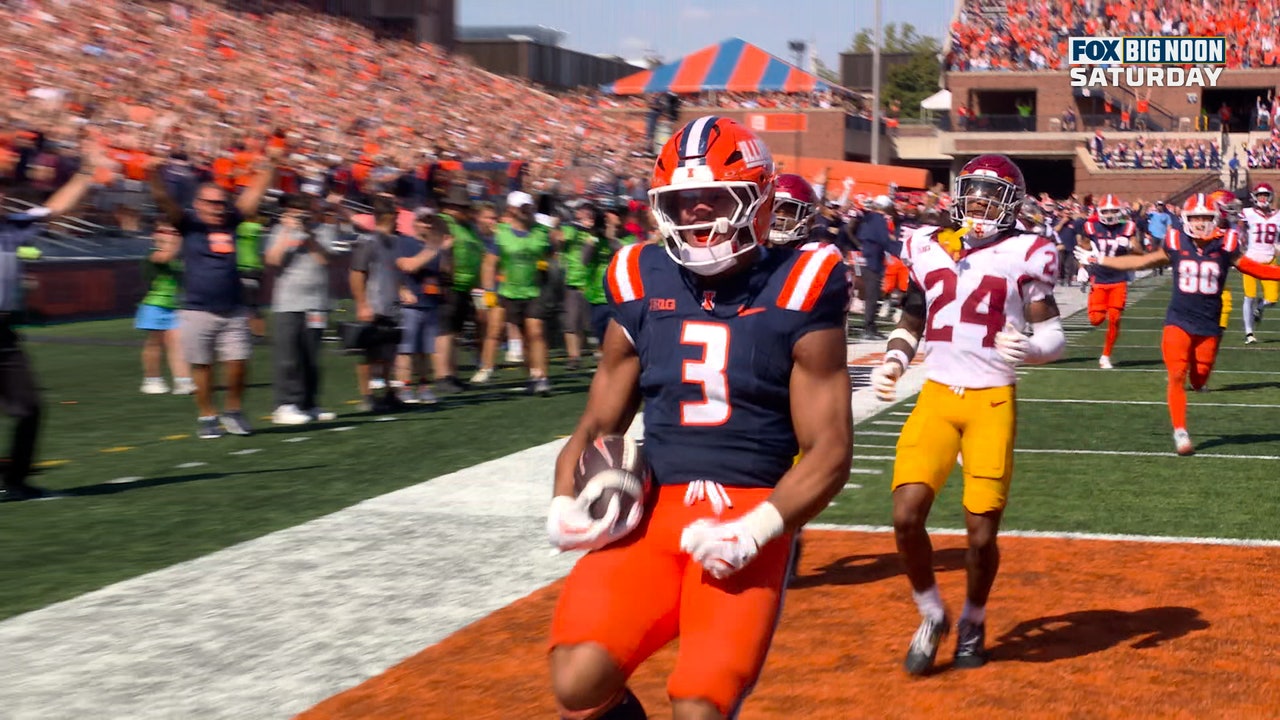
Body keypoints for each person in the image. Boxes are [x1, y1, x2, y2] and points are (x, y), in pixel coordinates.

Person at [546, 116, 853, 720]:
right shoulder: (640, 277)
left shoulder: (802, 282)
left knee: (699, 705)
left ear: (758, 200)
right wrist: (563, 499)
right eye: (682, 203)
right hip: (651, 513)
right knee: (576, 681)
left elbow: (830, 451)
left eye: (716, 198)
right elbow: (597, 422)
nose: (697, 216)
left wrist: (758, 528)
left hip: (749, 509)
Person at [870, 154, 1065, 675]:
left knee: (980, 534)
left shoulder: (1027, 252)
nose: (978, 202)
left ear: (1010, 204)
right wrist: (894, 355)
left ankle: (974, 618)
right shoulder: (929, 244)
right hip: (936, 394)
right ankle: (932, 613)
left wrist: (1030, 348)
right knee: (906, 515)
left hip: (991, 401)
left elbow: (1054, 334)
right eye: (971, 192)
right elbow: (915, 312)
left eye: (989, 194)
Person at [1076, 193, 1280, 456]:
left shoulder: (1226, 244)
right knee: (1176, 374)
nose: (1199, 223)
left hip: (1209, 324)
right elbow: (1141, 261)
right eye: (1194, 218)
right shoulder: (1175, 240)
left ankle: (1196, 385)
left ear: (1215, 219)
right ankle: (1180, 431)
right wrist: (1100, 260)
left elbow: (1255, 268)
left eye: (1205, 218)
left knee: (1199, 377)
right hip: (1179, 319)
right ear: (1186, 219)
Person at [150, 145, 279, 439]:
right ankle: (207, 415)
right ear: (198, 204)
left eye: (221, 203)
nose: (217, 207)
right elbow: (162, 199)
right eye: (211, 203)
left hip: (232, 308)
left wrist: (269, 166)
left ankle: (233, 410)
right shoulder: (188, 224)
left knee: (239, 363)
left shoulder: (232, 221)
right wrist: (152, 173)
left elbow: (252, 195)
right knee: (202, 366)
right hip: (196, 308)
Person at [0, 143, 99, 502]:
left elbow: (56, 208)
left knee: (29, 408)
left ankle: (16, 482)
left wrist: (87, 172)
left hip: (3, 334)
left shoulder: (12, 227)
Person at [264, 193, 338, 425]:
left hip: (316, 303)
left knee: (311, 356)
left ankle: (308, 403)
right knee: (288, 356)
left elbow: (326, 259)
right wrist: (286, 232)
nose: (301, 216)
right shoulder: (279, 231)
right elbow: (273, 260)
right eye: (296, 212)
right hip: (288, 303)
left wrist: (308, 235)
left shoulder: (324, 230)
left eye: (305, 212)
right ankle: (285, 404)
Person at [1079, 194, 1139, 369]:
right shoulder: (1091, 226)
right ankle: (1096, 305)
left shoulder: (1128, 227)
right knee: (1096, 319)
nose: (1110, 214)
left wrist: (1129, 246)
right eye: (1107, 211)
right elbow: (1084, 247)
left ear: (1120, 211)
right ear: (1100, 212)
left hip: (1118, 278)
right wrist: (1082, 267)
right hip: (1099, 277)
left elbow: (1139, 250)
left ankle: (1106, 355)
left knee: (1115, 318)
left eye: (1114, 210)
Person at [136, 220, 193, 396]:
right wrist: (177, 240)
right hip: (154, 305)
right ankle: (151, 379)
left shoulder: (178, 258)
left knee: (177, 343)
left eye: (173, 231)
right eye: (165, 231)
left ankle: (182, 381)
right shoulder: (154, 255)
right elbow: (165, 256)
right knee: (154, 343)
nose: (170, 234)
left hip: (173, 306)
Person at [1238, 182, 1279, 344]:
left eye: (1265, 195)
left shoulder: (1278, 215)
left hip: (1270, 260)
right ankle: (1249, 334)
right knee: (1249, 296)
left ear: (1270, 197)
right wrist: (1239, 236)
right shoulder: (1248, 213)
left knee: (1272, 300)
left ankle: (1260, 307)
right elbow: (1239, 227)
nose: (1262, 198)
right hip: (1250, 260)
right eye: (1260, 195)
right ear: (1255, 197)